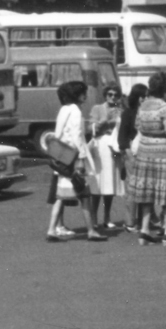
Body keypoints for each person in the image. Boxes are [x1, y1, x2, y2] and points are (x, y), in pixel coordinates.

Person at [45, 80, 108, 243]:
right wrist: (81, 157)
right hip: (74, 157)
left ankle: (52, 229)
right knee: (84, 193)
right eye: (83, 93)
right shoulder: (76, 112)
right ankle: (91, 231)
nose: (85, 96)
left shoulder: (63, 110)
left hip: (62, 157)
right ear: (77, 95)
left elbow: (58, 135)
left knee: (61, 195)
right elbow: (77, 136)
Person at [126, 71, 166, 245]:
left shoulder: (143, 106)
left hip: (144, 150)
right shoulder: (165, 107)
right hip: (163, 152)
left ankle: (144, 230)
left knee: (147, 192)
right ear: (165, 89)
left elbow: (138, 126)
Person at [87, 83, 125, 231]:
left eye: (115, 95)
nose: (112, 97)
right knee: (98, 182)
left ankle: (107, 217)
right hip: (101, 144)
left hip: (113, 146)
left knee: (110, 183)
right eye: (110, 94)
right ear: (105, 95)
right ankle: (94, 218)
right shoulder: (97, 108)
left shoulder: (120, 110)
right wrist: (105, 122)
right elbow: (90, 128)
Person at [117, 83, 147, 233]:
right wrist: (127, 153)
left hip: (145, 154)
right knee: (131, 189)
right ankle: (130, 222)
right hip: (131, 154)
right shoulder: (128, 113)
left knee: (144, 188)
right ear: (139, 97)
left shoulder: (147, 112)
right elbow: (122, 137)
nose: (146, 99)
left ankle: (143, 221)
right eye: (144, 96)